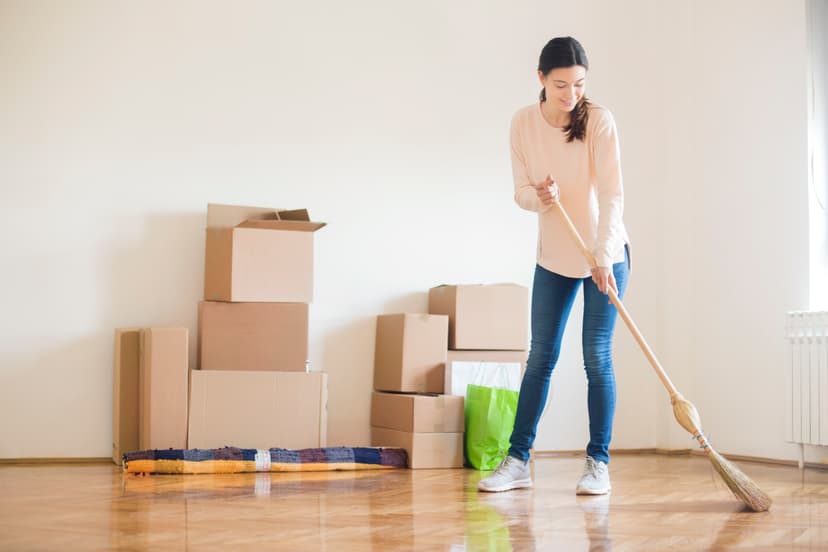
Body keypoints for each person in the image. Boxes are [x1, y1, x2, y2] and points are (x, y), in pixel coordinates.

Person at [478, 36, 631, 495]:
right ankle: (518, 459)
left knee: (596, 358)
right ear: (541, 79)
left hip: (606, 256)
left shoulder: (599, 122)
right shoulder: (523, 124)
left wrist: (604, 256)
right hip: (555, 258)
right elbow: (520, 191)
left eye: (579, 85)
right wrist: (540, 197)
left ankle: (597, 463)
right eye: (561, 85)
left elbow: (611, 195)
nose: (571, 95)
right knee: (541, 358)